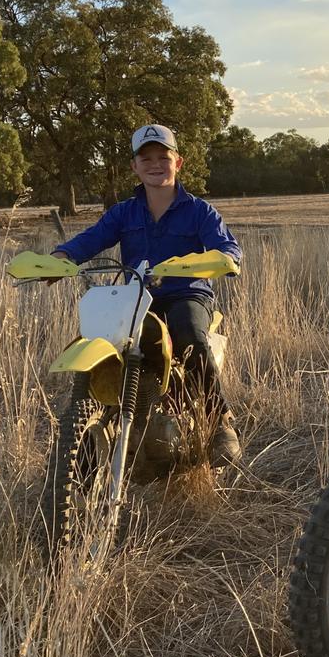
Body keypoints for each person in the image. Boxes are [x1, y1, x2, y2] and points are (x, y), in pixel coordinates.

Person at [51, 124, 243, 468]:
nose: (156, 164)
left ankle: (219, 422)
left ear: (178, 162)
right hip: (136, 298)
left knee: (190, 336)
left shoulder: (199, 211)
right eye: (146, 158)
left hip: (187, 294)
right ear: (134, 167)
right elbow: (92, 238)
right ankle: (87, 437)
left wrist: (222, 259)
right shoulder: (124, 212)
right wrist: (62, 257)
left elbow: (227, 248)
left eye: (163, 157)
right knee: (103, 343)